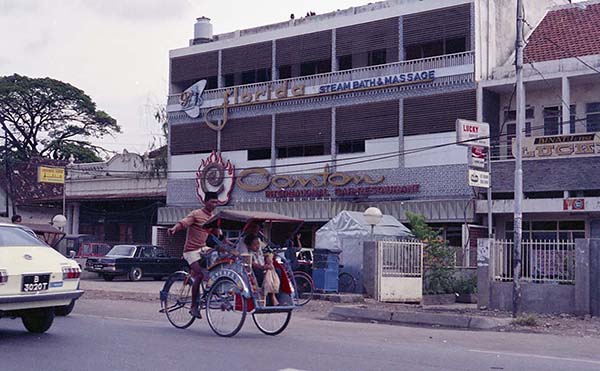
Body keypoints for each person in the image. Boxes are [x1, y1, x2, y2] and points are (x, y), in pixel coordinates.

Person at [167, 191, 219, 319]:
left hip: (203, 248)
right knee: (199, 274)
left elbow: (219, 235)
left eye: (216, 202)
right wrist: (174, 228)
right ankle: (193, 307)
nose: (214, 204)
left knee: (218, 264)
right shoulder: (196, 214)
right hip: (190, 251)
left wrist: (228, 245)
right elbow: (184, 222)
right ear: (205, 202)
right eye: (212, 202)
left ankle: (210, 291)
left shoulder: (213, 217)